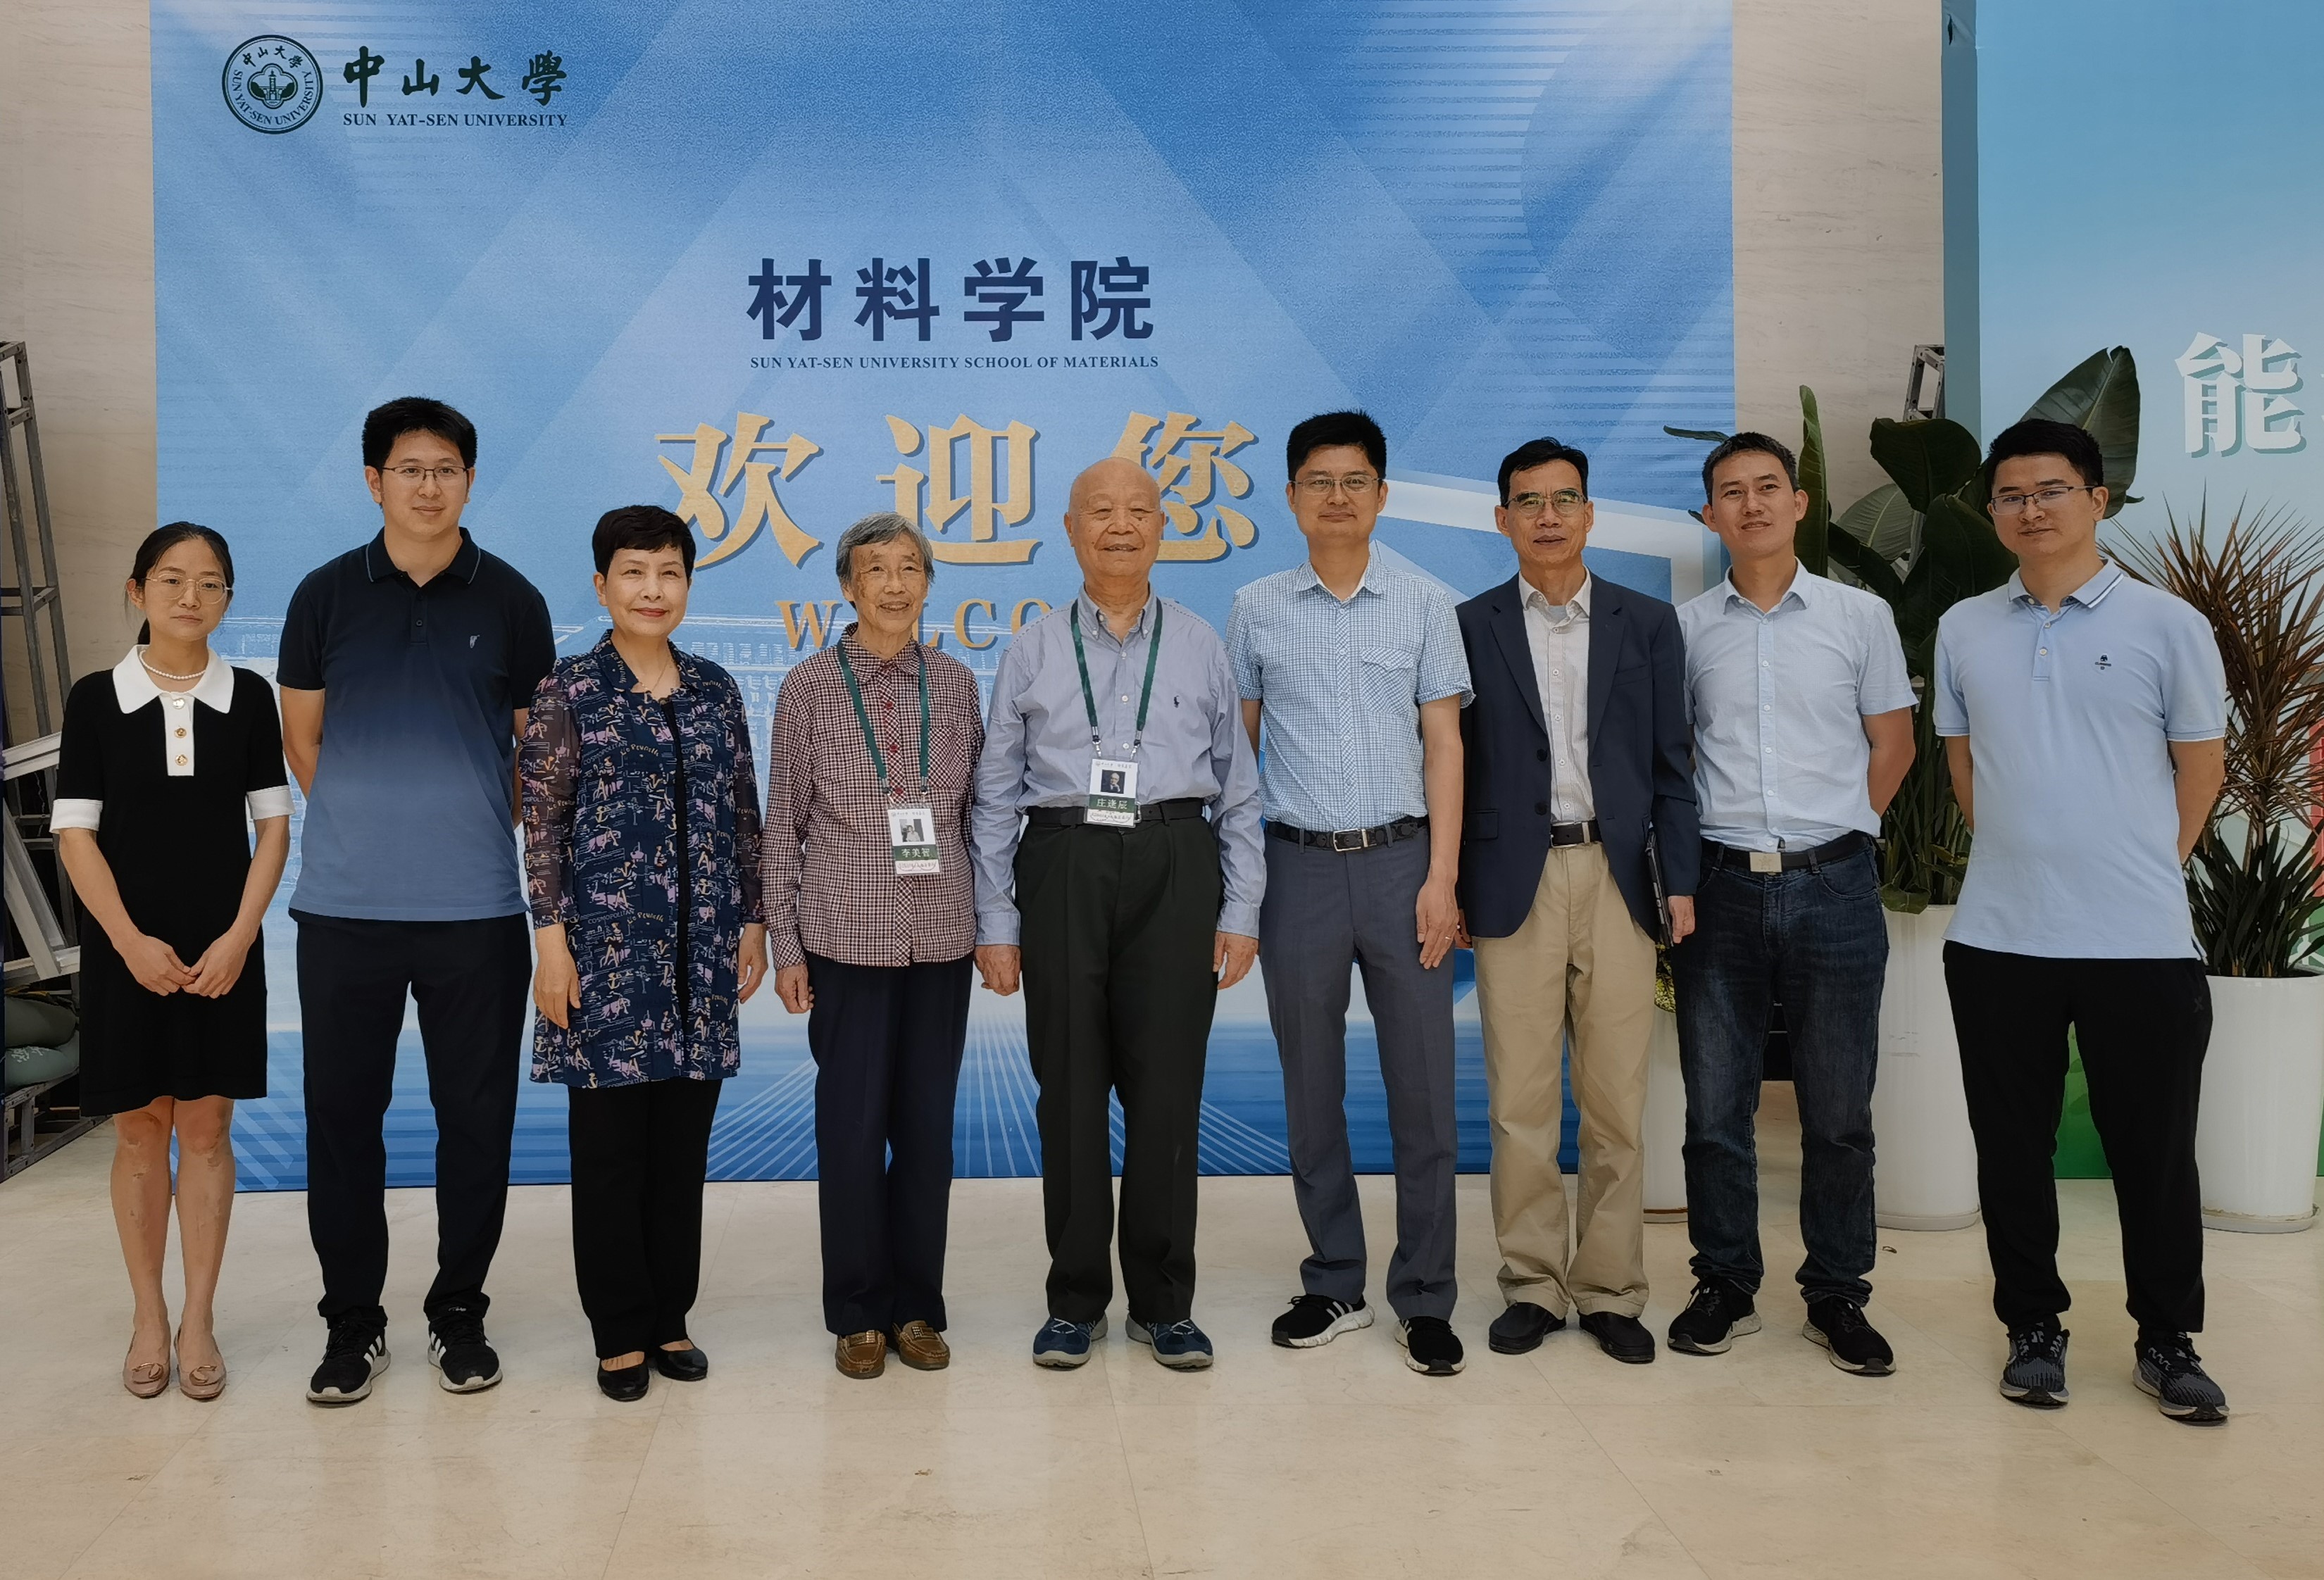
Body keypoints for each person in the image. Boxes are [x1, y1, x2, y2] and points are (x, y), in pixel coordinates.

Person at [1937, 418, 2230, 1424]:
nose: (2031, 510)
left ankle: (2167, 1341)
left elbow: (2201, 769)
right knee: (2010, 1150)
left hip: (2139, 942)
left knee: (2154, 1153)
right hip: (1998, 938)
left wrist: (2141, 866)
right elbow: (1965, 765)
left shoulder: (2168, 625)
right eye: (2011, 496)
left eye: (2051, 490)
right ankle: (2033, 1329)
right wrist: (2025, 859)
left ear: (2097, 500)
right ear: (1993, 511)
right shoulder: (1965, 626)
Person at [277, 397, 554, 1405]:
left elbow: (535, 756)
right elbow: (303, 741)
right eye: (409, 469)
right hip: (344, 910)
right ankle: (352, 1323)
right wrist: (373, 823)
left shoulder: (513, 600)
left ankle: (458, 1312)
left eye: (446, 469)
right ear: (374, 481)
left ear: (470, 481)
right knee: (342, 1121)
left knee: (476, 1122)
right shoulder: (324, 595)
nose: (428, 486)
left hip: (476, 910)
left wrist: (461, 819)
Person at [970, 457, 1264, 1372]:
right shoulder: (1033, 647)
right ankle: (1074, 1301)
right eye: (1100, 511)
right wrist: (997, 923)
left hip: (1176, 860)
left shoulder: (1200, 642)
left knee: (1167, 1092)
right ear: (1071, 529)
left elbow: (1240, 789)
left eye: (1139, 510)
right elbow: (994, 795)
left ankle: (1165, 1304)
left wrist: (1242, 907)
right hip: (1064, 862)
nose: (1121, 526)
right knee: (1068, 1090)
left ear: (1163, 527)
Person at [1225, 410, 1472, 1377]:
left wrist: (1442, 878)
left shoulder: (1426, 604)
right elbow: (1238, 756)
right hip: (1296, 871)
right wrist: (1239, 885)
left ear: (1382, 494)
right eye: (1319, 481)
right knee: (1310, 1086)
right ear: (1292, 497)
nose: (1338, 497)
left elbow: (1446, 746)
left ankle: (1426, 1295)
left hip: (1405, 865)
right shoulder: (1255, 608)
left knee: (1426, 1091)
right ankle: (1334, 1279)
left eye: (1355, 480)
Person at [1668, 434, 1916, 1374]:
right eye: (1731, 492)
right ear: (1710, 516)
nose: (1753, 504)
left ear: (1800, 503)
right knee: (1715, 1107)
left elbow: (1892, 745)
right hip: (1722, 886)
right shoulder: (1686, 629)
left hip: (1835, 886)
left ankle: (1838, 1293)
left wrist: (1840, 835)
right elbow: (1676, 760)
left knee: (1839, 1109)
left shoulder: (1860, 617)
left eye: (1768, 487)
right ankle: (1725, 1283)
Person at [1454, 436, 1698, 1365]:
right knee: (1518, 1102)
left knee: (1615, 1101)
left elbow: (1674, 765)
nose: (1547, 516)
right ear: (1503, 518)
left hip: (1618, 877)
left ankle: (1609, 1290)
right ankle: (1531, 1284)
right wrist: (1451, 885)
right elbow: (1448, 766)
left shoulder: (1647, 623)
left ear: (1590, 513)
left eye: (1564, 500)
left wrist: (1681, 882)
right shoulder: (1467, 625)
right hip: (1509, 881)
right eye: (1528, 501)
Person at [523, 505, 766, 1401]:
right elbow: (542, 829)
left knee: (681, 1152)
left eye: (669, 573)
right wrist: (551, 945)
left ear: (688, 584)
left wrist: (753, 920)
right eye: (634, 572)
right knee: (611, 1152)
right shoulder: (570, 690)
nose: (652, 590)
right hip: (606, 956)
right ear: (602, 586)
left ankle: (670, 1317)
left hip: (701, 956)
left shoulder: (714, 689)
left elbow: (744, 810)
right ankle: (619, 1330)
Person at [53, 524, 291, 1400]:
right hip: (127, 947)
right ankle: (148, 1317)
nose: (191, 597)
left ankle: (199, 1320)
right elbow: (75, 835)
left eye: (210, 583)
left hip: (222, 948)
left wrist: (240, 937)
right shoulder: (95, 698)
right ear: (136, 590)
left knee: (207, 1129)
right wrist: (125, 941)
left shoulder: (250, 697)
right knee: (139, 1130)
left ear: (227, 598)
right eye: (171, 579)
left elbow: (273, 828)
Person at [763, 512, 984, 1380]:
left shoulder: (958, 684)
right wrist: (786, 946)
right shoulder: (810, 687)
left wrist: (996, 928)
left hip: (942, 940)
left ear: (928, 583)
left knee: (927, 1133)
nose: (895, 584)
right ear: (848, 588)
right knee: (853, 1131)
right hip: (844, 940)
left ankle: (917, 1306)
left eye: (910, 568)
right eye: (876, 570)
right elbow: (783, 825)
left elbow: (979, 816)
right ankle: (858, 1312)